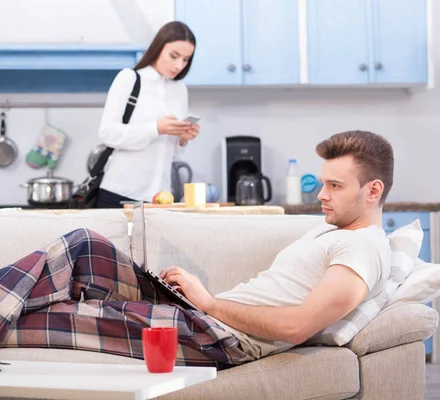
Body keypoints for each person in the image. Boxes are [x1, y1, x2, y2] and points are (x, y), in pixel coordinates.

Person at [0, 130, 394, 368]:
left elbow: (296, 326)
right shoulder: (332, 232)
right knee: (84, 245)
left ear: (372, 190)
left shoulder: (363, 250)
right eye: (323, 183)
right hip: (202, 316)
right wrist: (197, 301)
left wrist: (209, 303)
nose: (321, 194)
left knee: (62, 315)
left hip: (221, 337)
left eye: (335, 186)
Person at [95, 21, 200, 208]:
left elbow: (173, 153)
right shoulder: (129, 79)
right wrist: (156, 128)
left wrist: (182, 138)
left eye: (185, 59)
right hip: (119, 193)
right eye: (174, 56)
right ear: (158, 48)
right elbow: (108, 133)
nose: (178, 65)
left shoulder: (180, 90)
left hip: (160, 197)